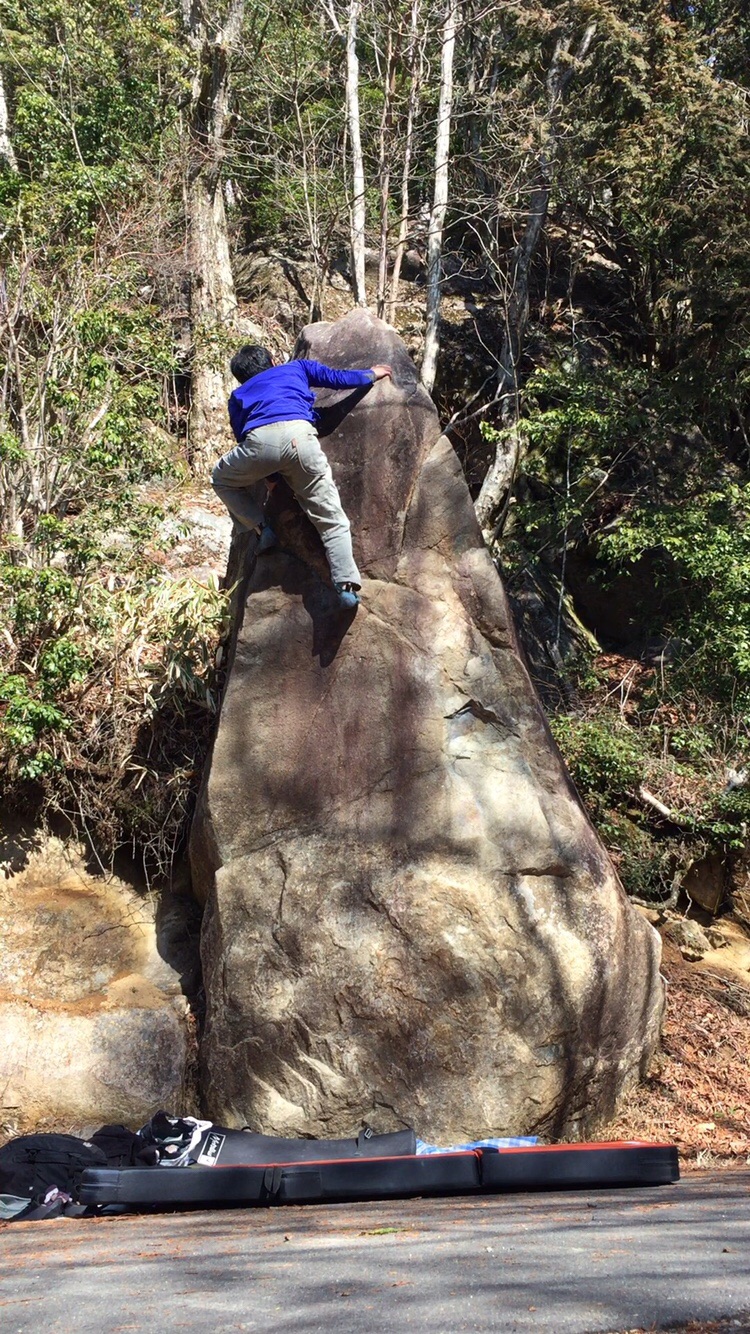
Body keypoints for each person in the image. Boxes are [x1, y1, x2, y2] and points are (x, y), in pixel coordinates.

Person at [212, 345, 392, 609]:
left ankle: (262, 529)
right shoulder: (296, 367)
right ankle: (346, 586)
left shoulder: (238, 395)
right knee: (330, 515)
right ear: (273, 361)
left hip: (259, 444)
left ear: (242, 377)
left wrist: (271, 478)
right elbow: (337, 379)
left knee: (221, 479)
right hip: (301, 439)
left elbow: (241, 435)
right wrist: (370, 374)